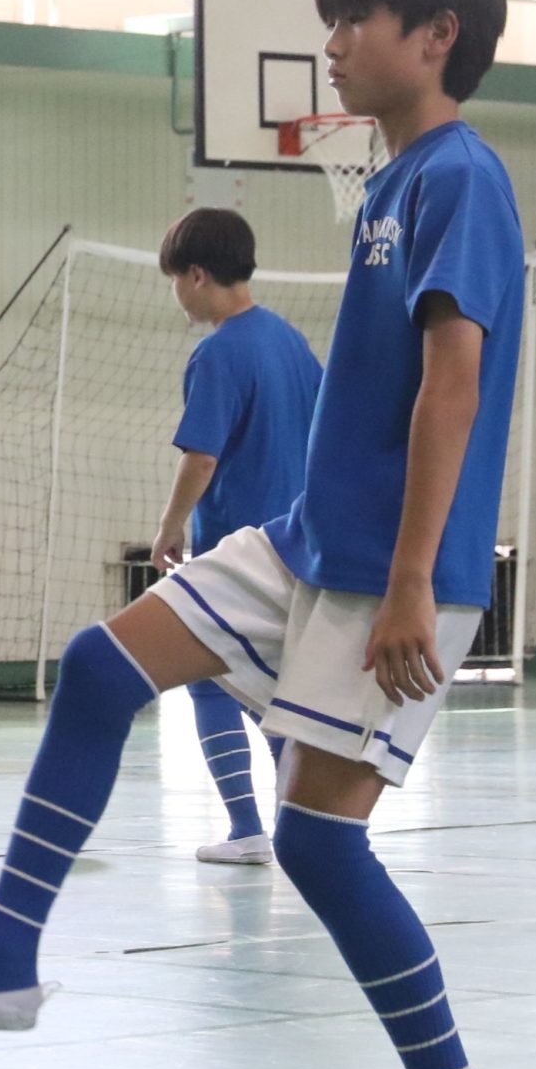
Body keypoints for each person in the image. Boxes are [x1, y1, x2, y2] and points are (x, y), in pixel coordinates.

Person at [0, 0, 525, 1069]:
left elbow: (454, 388)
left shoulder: (462, 179)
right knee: (99, 665)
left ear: (434, 35)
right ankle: (2, 953)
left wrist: (408, 585)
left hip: (387, 571)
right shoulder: (390, 180)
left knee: (317, 843)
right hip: (306, 541)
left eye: (352, 18)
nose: (330, 44)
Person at [151, 208, 322, 865]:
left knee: (212, 680)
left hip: (237, 550)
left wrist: (169, 527)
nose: (177, 293)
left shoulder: (220, 352)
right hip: (298, 543)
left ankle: (251, 828)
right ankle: (298, 827)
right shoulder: (289, 340)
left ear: (197, 275)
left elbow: (201, 456)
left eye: (176, 279)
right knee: (265, 685)